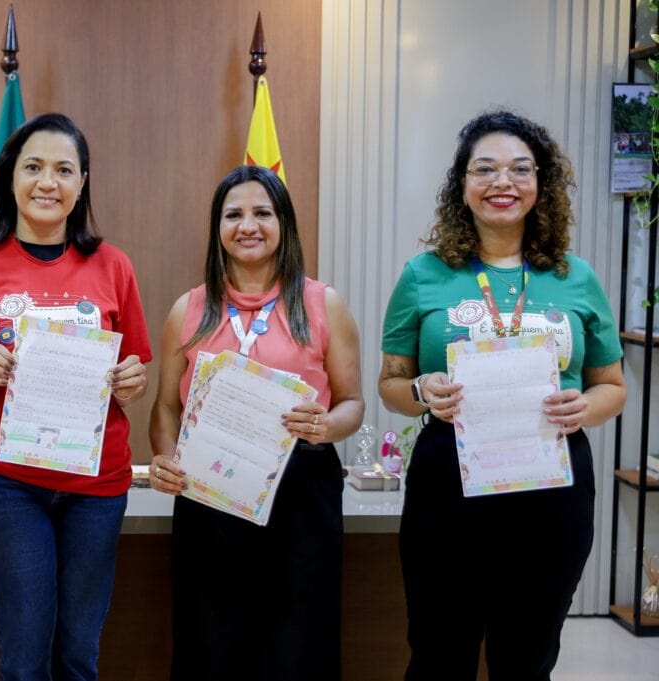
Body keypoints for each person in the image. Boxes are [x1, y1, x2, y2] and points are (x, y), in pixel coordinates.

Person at [379, 109, 627, 680]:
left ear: (540, 185)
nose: (503, 183)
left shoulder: (576, 277)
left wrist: (584, 407)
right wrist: (421, 390)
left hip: (553, 478)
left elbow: (612, 386)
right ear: (461, 186)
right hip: (450, 479)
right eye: (484, 169)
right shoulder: (424, 274)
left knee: (528, 652)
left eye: (521, 169)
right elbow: (391, 384)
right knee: (441, 648)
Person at [0, 112, 151, 681]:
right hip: (9, 486)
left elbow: (135, 370)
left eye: (63, 169)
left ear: (82, 184)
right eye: (33, 167)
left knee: (80, 653)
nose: (47, 182)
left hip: (96, 486)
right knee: (24, 656)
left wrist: (131, 379)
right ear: (10, 177)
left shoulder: (114, 266)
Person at [149, 165, 364, 680]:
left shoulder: (321, 302)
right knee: (212, 642)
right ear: (217, 228)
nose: (249, 225)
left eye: (262, 213)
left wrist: (326, 427)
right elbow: (164, 408)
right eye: (234, 214)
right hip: (210, 493)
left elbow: (353, 403)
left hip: (302, 496)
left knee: (297, 644)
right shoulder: (189, 309)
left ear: (284, 224)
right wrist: (165, 456)